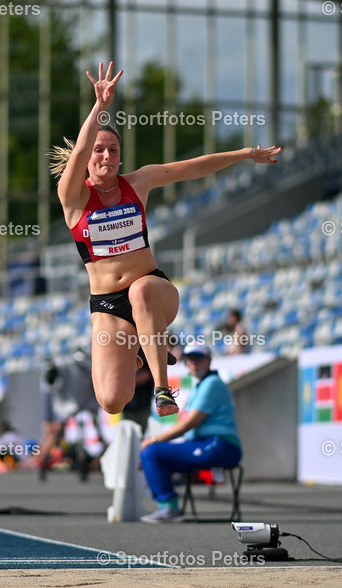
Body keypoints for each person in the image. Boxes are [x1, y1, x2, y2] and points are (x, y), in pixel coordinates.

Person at [51, 61, 281, 418]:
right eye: (99, 150)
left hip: (154, 289)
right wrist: (99, 107)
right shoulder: (74, 197)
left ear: (120, 157)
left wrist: (246, 154)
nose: (106, 155)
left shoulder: (138, 183)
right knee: (111, 400)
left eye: (113, 150)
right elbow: (79, 150)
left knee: (140, 291)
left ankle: (162, 388)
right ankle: (143, 347)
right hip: (107, 304)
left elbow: (194, 167)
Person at [138, 342, 242, 523]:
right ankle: (168, 504)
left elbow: (189, 423)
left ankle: (169, 507)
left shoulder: (212, 383)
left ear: (208, 360)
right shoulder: (203, 385)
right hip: (208, 443)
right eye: (189, 359)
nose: (193, 363)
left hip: (220, 445)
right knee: (155, 454)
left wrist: (155, 439)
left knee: (152, 452)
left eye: (198, 358)